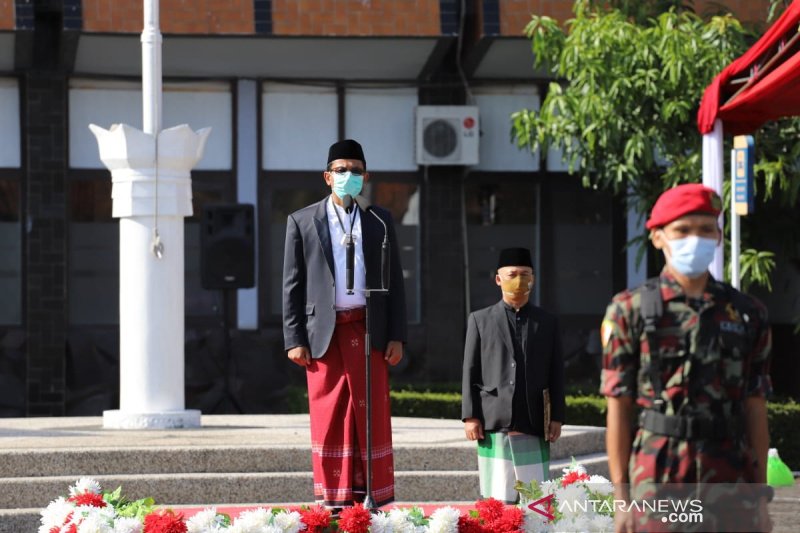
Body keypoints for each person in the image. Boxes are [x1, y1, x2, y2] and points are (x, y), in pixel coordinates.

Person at [600, 183, 773, 532]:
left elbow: (756, 407)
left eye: (706, 229)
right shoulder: (630, 309)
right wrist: (622, 500)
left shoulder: (747, 312)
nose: (695, 239)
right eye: (682, 230)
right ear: (658, 237)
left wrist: (760, 497)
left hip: (731, 478)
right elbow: (619, 406)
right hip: (659, 476)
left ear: (719, 237)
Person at [282, 139, 407, 509]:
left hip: (370, 331)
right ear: (327, 176)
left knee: (370, 414)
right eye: (341, 170)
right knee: (331, 415)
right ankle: (333, 499)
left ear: (365, 177)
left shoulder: (379, 220)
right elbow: (292, 284)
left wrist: (397, 335)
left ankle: (373, 496)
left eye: (355, 170)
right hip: (324, 333)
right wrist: (294, 337)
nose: (348, 176)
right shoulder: (302, 221)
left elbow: (395, 281)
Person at [461, 247, 566, 503]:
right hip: (494, 419)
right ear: (498, 278)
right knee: (497, 498)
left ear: (533, 278)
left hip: (533, 418)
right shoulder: (480, 320)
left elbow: (556, 372)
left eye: (525, 274)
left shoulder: (547, 322)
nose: (519, 280)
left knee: (536, 501)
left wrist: (557, 417)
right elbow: (470, 369)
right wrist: (470, 415)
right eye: (512, 274)